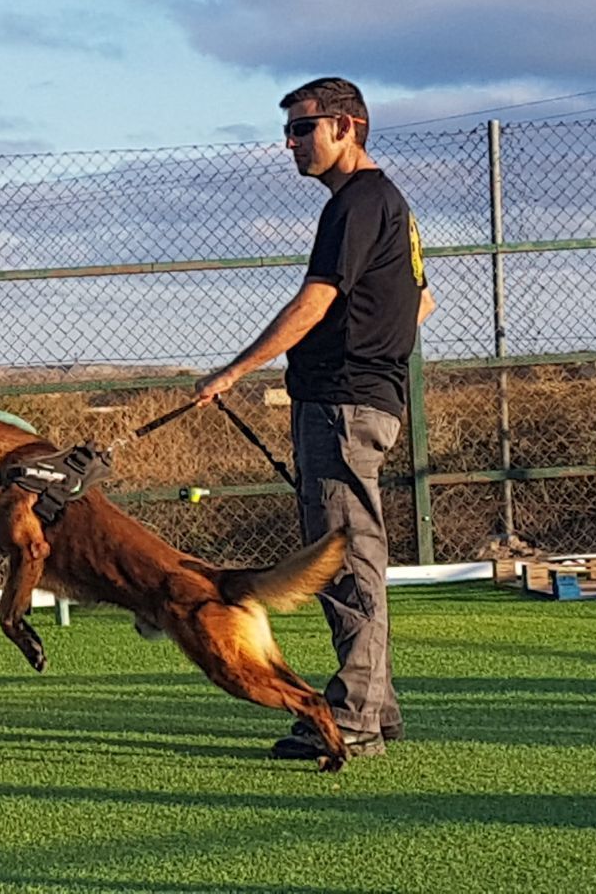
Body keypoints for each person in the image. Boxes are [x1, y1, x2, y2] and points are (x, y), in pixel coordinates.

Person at [193, 78, 434, 761]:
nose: (291, 143)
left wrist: (234, 371)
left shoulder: (358, 202)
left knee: (343, 560)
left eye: (304, 128)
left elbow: (316, 300)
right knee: (353, 557)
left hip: (342, 404)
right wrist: (380, 355)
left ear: (347, 127)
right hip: (365, 396)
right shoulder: (387, 205)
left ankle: (352, 720)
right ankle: (374, 710)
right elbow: (422, 302)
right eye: (290, 130)